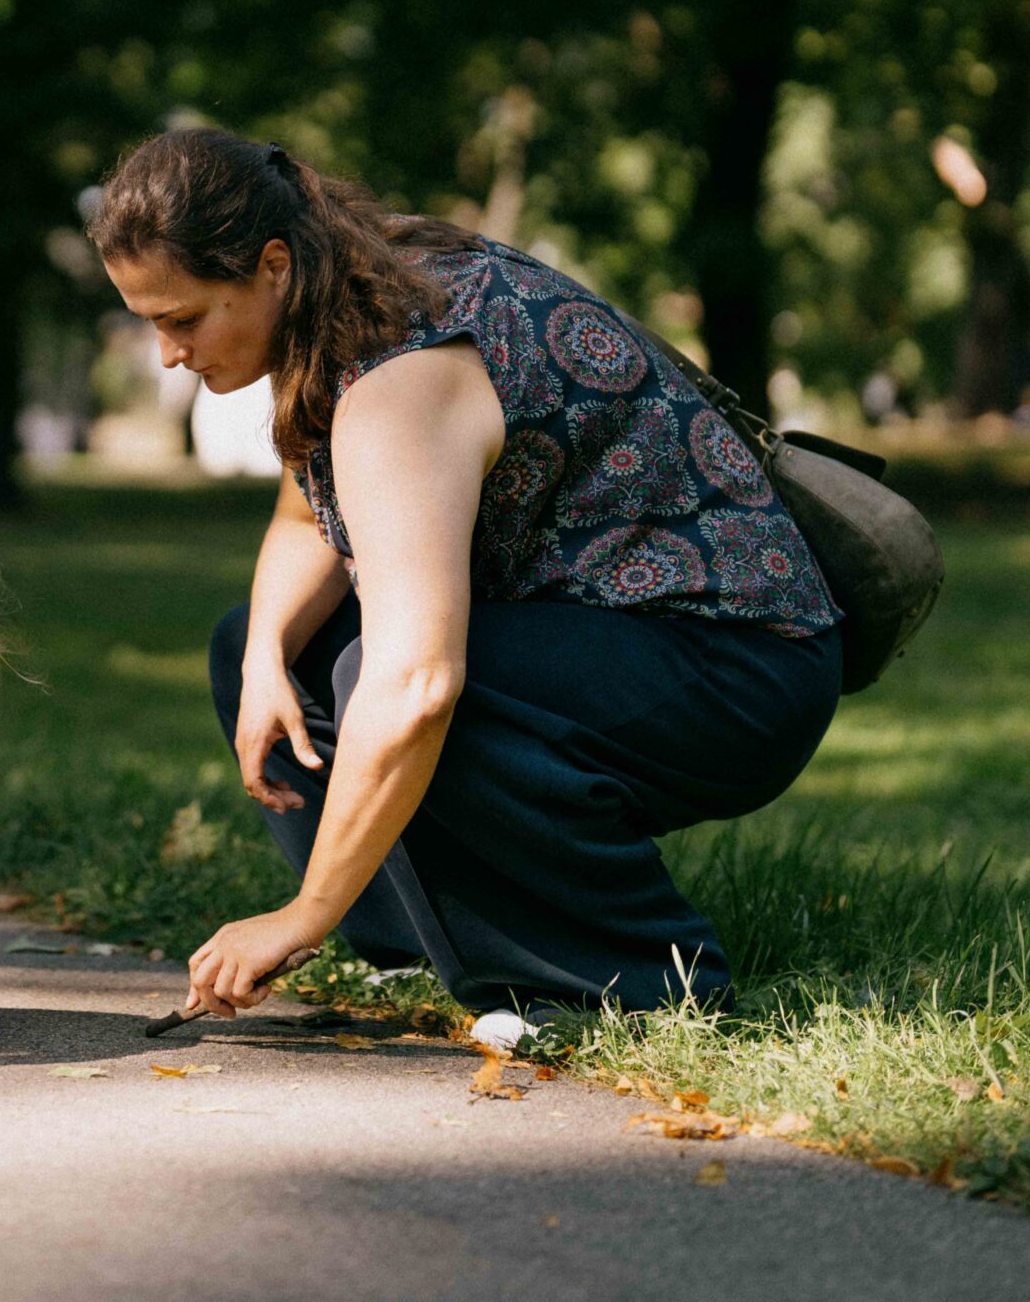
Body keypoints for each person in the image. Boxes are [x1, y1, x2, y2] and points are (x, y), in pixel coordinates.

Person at [88, 128, 843, 1043]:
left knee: (393, 677)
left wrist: (302, 913)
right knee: (260, 646)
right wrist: (260, 659)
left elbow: (418, 682)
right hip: (612, 633)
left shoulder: (404, 373)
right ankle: (424, 943)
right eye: (149, 323)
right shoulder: (349, 293)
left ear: (272, 266)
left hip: (740, 663)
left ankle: (636, 987)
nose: (168, 352)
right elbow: (305, 517)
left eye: (183, 318)